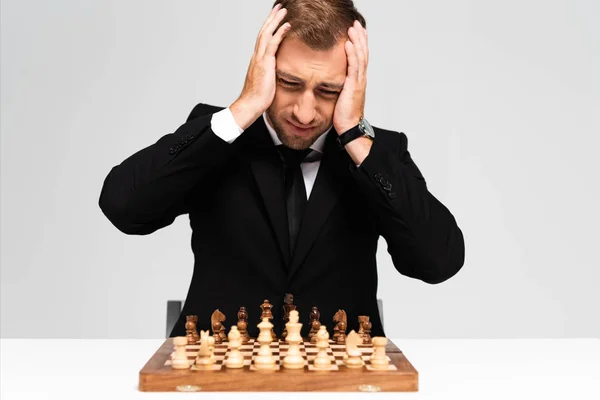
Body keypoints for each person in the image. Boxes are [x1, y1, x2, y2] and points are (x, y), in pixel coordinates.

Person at [98, 0, 465, 338]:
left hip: (339, 380)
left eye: (328, 91)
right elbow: (123, 207)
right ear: (264, 67)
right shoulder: (217, 137)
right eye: (289, 84)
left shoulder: (378, 154)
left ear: (354, 84)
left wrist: (355, 136)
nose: (304, 113)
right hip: (217, 375)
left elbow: (439, 262)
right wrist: (242, 109)